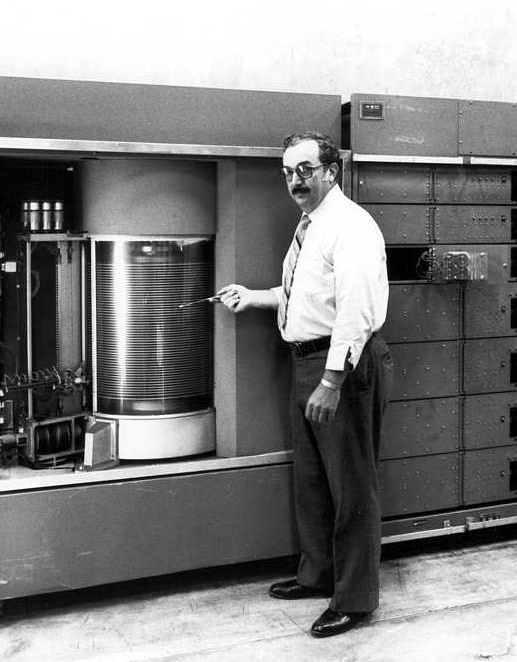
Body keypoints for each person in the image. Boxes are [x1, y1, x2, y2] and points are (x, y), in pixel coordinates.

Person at [215, 131, 392, 638]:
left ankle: (355, 599)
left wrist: (332, 381)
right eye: (288, 172)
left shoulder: (351, 226)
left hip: (342, 366)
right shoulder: (311, 226)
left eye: (305, 170)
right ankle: (318, 575)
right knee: (313, 481)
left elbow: (355, 312)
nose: (295, 181)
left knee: (351, 486)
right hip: (307, 362)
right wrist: (255, 297)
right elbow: (309, 295)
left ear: (331, 171)